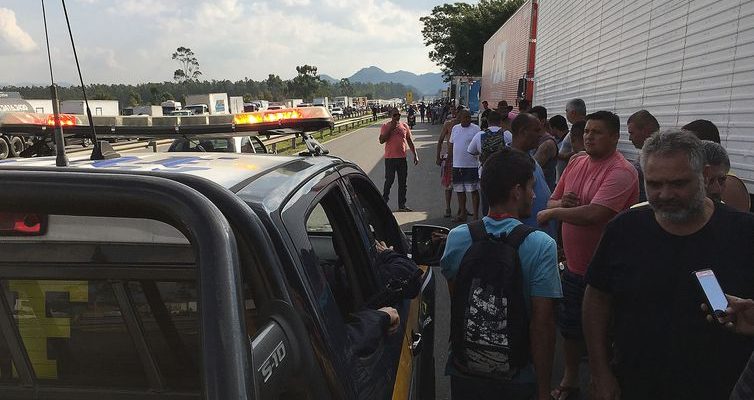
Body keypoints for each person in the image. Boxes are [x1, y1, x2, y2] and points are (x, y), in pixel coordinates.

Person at [583, 129, 754, 399]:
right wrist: (600, 371)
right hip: (636, 383)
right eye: (654, 184)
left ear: (705, 176)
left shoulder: (744, 233)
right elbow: (596, 299)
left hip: (720, 386)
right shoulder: (624, 230)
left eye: (678, 183)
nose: (664, 194)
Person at [440, 147, 562, 400]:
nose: (534, 193)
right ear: (517, 192)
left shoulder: (457, 238)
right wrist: (542, 390)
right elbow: (542, 325)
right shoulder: (541, 245)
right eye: (531, 187)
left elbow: (458, 300)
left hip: (465, 371)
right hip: (517, 376)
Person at [537, 111, 639, 400]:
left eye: (598, 132)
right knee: (570, 327)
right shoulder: (577, 161)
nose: (589, 136)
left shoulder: (621, 171)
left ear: (615, 137)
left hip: (606, 271)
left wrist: (555, 212)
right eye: (587, 131)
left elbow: (596, 213)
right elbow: (552, 197)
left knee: (604, 333)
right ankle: (571, 379)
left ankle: (602, 381)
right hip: (573, 264)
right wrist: (560, 203)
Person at [509, 113, 556, 238]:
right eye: (536, 130)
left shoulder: (531, 159)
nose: (540, 135)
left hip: (541, 236)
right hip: (527, 238)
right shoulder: (509, 164)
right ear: (523, 132)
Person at [467, 111, 512, 216]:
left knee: (487, 202)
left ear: (487, 121)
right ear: (500, 121)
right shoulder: (507, 134)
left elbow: (471, 150)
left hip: (485, 173)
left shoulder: (479, 135)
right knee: (502, 201)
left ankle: (487, 224)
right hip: (503, 174)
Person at [379, 108, 419, 212]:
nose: (397, 117)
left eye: (399, 115)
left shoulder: (404, 126)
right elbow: (381, 140)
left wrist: (415, 154)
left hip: (402, 158)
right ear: (391, 115)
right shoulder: (385, 126)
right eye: (395, 115)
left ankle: (402, 205)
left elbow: (409, 141)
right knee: (389, 181)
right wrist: (390, 129)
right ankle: (383, 202)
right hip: (390, 159)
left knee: (403, 183)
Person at [449, 110, 481, 221]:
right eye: (465, 117)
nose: (468, 119)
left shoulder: (476, 129)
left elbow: (479, 145)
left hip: (471, 165)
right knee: (459, 190)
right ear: (460, 118)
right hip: (457, 165)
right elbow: (451, 144)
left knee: (473, 190)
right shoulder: (455, 128)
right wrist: (449, 160)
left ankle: (476, 216)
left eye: (469, 117)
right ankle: (462, 214)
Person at [627, 109, 660, 203]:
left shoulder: (655, 161)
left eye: (631, 133)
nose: (629, 138)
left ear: (645, 131)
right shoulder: (646, 157)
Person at [437, 106, 462, 218]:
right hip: (450, 158)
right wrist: (438, 156)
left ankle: (462, 209)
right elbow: (441, 140)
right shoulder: (448, 124)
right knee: (449, 185)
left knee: (462, 185)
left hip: (462, 159)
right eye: (456, 111)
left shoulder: (469, 127)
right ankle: (448, 208)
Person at [557, 99, 587, 182]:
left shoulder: (583, 129)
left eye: (566, 111)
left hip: (571, 178)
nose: (566, 114)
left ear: (573, 112)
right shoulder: (575, 128)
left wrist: (562, 156)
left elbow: (584, 150)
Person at [529, 106, 558, 191]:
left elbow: (531, 168)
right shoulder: (535, 139)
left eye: (533, 119)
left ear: (542, 121)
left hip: (543, 191)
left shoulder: (548, 143)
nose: (530, 123)